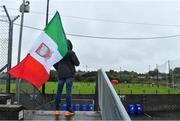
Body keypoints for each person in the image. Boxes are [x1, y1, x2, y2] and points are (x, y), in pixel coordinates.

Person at [54, 39, 80, 116]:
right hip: (69, 74)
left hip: (61, 75)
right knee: (68, 92)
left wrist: (59, 69)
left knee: (59, 92)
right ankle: (68, 111)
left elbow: (54, 63)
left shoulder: (59, 53)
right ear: (70, 45)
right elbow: (77, 63)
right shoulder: (71, 53)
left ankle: (57, 110)